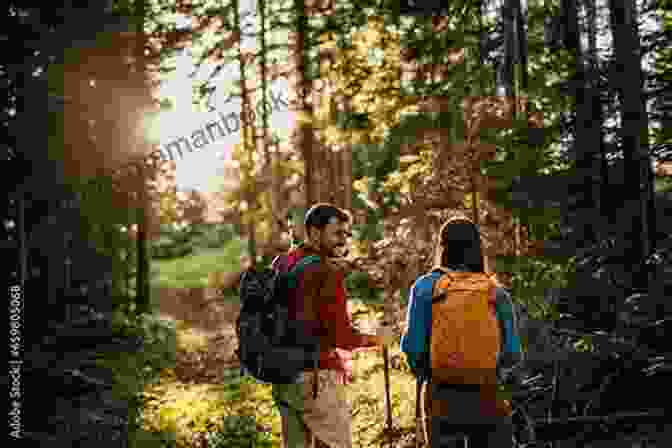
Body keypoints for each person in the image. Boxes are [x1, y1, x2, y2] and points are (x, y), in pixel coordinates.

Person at [271, 203, 396, 448]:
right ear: (315, 232)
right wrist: (377, 339)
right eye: (336, 233)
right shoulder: (327, 271)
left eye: (345, 233)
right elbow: (341, 336)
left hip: (283, 377)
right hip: (317, 379)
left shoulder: (281, 264)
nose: (343, 240)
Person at [401, 216, 523, 447]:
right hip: (487, 396)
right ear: (478, 249)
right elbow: (513, 354)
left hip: (441, 396)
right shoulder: (495, 293)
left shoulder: (425, 287)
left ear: (442, 248)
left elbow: (413, 348)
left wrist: (429, 371)